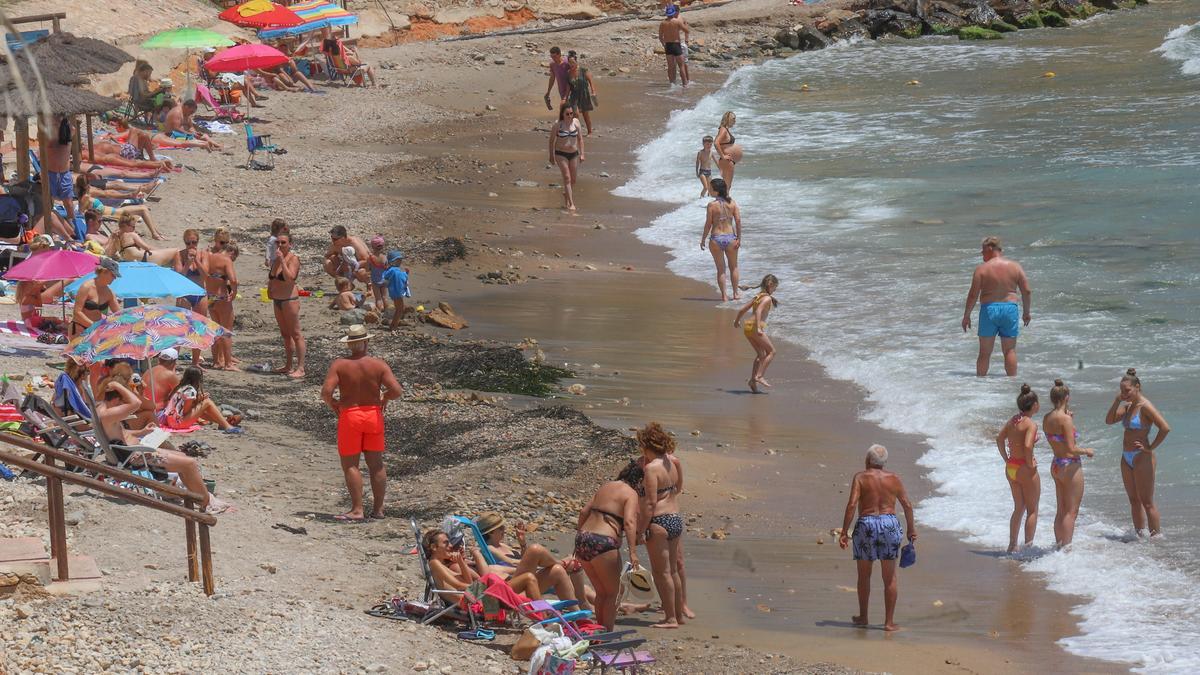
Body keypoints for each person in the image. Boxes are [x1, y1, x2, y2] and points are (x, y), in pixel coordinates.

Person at [96, 377, 232, 514]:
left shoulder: (103, 409)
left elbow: (121, 432)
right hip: (134, 456)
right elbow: (136, 402)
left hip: (135, 451)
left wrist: (142, 432)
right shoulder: (108, 414)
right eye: (122, 402)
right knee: (189, 463)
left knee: (182, 456)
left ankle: (197, 496)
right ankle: (207, 503)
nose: (123, 406)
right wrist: (117, 385)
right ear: (117, 399)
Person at [320, 324, 403, 522]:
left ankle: (357, 509)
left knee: (351, 464)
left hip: (351, 415)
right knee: (376, 464)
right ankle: (379, 509)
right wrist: (385, 398)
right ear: (366, 342)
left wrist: (334, 405)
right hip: (373, 415)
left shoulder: (340, 365)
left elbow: (326, 393)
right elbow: (397, 391)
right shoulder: (378, 364)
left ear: (349, 345)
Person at [838, 445, 915, 632]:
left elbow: (852, 504)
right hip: (889, 524)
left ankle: (863, 617)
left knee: (864, 576)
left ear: (867, 460)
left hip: (867, 523)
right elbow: (907, 505)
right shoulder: (894, 478)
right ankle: (889, 622)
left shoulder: (861, 477)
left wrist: (844, 532)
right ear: (884, 462)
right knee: (889, 578)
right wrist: (911, 530)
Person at [576, 461, 642, 631]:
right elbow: (629, 522)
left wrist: (579, 536)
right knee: (613, 593)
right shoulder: (631, 493)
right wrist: (633, 552)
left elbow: (584, 512)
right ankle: (607, 632)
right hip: (603, 541)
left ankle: (599, 629)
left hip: (583, 538)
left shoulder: (605, 486)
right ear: (639, 481)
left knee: (601, 592)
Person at [1105, 368, 1170, 536]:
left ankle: (1156, 540)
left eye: (1127, 390)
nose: (1124, 393)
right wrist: (1116, 401)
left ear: (1137, 387)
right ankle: (1140, 539)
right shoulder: (1127, 406)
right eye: (1121, 390)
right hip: (1126, 457)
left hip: (1142, 457)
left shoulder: (1145, 406)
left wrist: (1150, 447)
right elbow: (1109, 420)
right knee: (1134, 501)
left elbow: (1165, 428)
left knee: (1147, 502)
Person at [474, 512, 583, 606]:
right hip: (521, 585)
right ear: (491, 532)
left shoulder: (504, 546)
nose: (505, 530)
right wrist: (535, 562)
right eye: (501, 528)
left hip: (531, 576)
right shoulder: (489, 548)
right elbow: (512, 562)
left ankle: (592, 615)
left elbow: (523, 559)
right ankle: (564, 563)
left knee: (584, 590)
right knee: (538, 553)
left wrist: (522, 544)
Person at [637, 422, 685, 629]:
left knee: (661, 572)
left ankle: (670, 618)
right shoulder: (671, 463)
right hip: (675, 518)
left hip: (659, 522)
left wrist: (640, 530)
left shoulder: (651, 468)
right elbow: (679, 488)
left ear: (646, 445)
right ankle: (678, 615)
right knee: (673, 571)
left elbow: (650, 503)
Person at [961, 236, 1032, 377]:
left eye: (983, 251)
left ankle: (980, 383)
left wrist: (966, 316)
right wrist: (1026, 312)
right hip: (1010, 309)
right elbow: (1027, 291)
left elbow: (973, 295)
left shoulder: (982, 269)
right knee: (1010, 350)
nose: (982, 254)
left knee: (984, 352)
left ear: (990, 248)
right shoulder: (1015, 266)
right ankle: (1012, 384)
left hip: (989, 310)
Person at [422, 529, 543, 605]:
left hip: (474, 598)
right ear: (433, 547)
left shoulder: (441, 565)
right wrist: (486, 589)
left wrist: (460, 562)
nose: (451, 545)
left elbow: (467, 581)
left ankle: (541, 613)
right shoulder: (434, 563)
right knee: (527, 579)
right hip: (474, 603)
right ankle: (541, 616)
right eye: (446, 543)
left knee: (527, 581)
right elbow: (459, 585)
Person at [1043, 379, 1094, 548]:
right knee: (1071, 512)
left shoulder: (1047, 418)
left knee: (1061, 509)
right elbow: (1072, 448)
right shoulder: (1065, 419)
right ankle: (1066, 550)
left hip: (1056, 464)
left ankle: (1059, 546)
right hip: (1070, 465)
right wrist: (1086, 451)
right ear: (1067, 397)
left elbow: (1059, 439)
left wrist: (1068, 418)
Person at [997, 384, 1041, 553]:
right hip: (1024, 468)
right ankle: (1028, 549)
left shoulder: (1013, 420)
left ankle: (1012, 545)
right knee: (1032, 509)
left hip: (1011, 467)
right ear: (1034, 405)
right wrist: (1030, 463)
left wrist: (1006, 458)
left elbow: (999, 439)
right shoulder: (1030, 424)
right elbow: (1028, 446)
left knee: (1018, 508)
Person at [74, 175, 165, 240]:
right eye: (88, 184)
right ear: (86, 185)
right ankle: (155, 234)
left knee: (142, 209)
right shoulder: (85, 198)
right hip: (113, 213)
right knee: (143, 209)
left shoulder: (87, 195)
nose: (90, 186)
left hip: (114, 211)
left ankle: (156, 233)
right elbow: (81, 213)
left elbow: (106, 194)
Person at [158, 366, 241, 433]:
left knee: (201, 409)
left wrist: (198, 401)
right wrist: (199, 400)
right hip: (177, 423)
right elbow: (186, 412)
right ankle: (228, 426)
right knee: (207, 402)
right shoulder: (190, 390)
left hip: (171, 421)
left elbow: (185, 409)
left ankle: (223, 422)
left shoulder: (181, 387)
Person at [268, 232, 306, 378]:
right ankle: (288, 365)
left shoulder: (293, 259)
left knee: (296, 334)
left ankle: (301, 367)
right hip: (277, 300)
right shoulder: (275, 260)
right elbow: (272, 278)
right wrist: (270, 289)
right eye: (278, 242)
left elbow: (290, 278)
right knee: (285, 334)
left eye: (283, 242)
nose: (280, 245)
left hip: (289, 300)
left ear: (290, 244)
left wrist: (282, 261)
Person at [733, 274, 779, 394]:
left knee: (761, 354)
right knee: (772, 352)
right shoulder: (767, 298)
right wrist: (758, 327)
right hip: (755, 327)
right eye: (775, 287)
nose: (775, 290)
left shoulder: (758, 296)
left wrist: (737, 321)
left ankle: (752, 381)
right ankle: (759, 376)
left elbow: (742, 309)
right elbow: (758, 311)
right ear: (770, 285)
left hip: (748, 327)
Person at [699, 178, 741, 301]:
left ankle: (724, 296)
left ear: (717, 191)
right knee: (734, 267)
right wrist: (739, 238)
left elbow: (708, 224)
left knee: (720, 269)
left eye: (711, 188)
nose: (710, 190)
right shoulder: (732, 203)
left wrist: (703, 239)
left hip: (716, 238)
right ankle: (735, 294)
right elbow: (738, 221)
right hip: (730, 237)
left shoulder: (712, 205)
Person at [172, 228, 209, 360]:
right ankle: (173, 360)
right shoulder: (179, 255)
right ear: (184, 243)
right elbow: (179, 277)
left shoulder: (203, 254)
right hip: (185, 294)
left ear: (198, 242)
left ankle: (195, 361)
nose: (191, 246)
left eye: (194, 242)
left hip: (199, 294)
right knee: (180, 328)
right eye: (188, 243)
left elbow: (206, 275)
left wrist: (197, 261)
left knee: (198, 328)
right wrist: (187, 263)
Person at [206, 241, 238, 371]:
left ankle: (217, 361)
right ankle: (228, 364)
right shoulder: (226, 260)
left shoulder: (209, 257)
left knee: (216, 330)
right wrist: (234, 291)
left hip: (210, 297)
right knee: (226, 331)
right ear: (231, 252)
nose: (233, 260)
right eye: (234, 258)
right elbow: (233, 280)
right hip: (222, 297)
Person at [71, 258, 121, 337]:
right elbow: (77, 313)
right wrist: (95, 326)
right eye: (113, 275)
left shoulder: (109, 293)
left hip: (96, 331)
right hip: (80, 328)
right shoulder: (86, 287)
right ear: (104, 272)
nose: (115, 278)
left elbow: (119, 314)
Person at [548, 103, 585, 213]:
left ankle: (566, 193)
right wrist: (551, 156)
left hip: (574, 153)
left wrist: (582, 154)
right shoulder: (558, 125)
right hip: (561, 154)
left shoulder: (576, 123)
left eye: (571, 113)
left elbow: (580, 139)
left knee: (573, 180)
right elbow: (551, 141)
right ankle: (571, 204)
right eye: (567, 114)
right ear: (562, 114)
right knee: (567, 178)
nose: (569, 116)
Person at [105, 214, 175, 265]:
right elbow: (147, 248)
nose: (134, 228)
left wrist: (111, 238)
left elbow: (109, 253)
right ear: (126, 226)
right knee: (175, 252)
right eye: (133, 226)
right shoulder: (132, 235)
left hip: (132, 262)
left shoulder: (115, 239)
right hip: (144, 260)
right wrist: (160, 251)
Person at [44, 115, 76, 228]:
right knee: (49, 201)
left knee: (68, 202)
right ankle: (51, 223)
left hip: (64, 174)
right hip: (50, 173)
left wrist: (63, 121)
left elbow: (73, 128)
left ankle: (72, 222)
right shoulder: (48, 135)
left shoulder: (68, 134)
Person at [658, 5, 690, 86]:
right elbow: (687, 30)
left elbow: (660, 37)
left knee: (670, 67)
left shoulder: (662, 23)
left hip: (668, 45)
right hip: (676, 45)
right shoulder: (676, 21)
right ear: (673, 13)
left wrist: (664, 45)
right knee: (681, 66)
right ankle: (685, 85)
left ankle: (672, 84)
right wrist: (685, 24)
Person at [566, 52, 596, 136]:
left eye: (573, 62)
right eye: (570, 62)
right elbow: (568, 87)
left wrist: (593, 91)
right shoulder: (568, 73)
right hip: (574, 95)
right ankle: (575, 131)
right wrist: (565, 98)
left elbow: (591, 81)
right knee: (575, 113)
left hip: (584, 94)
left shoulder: (583, 70)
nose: (571, 64)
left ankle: (590, 132)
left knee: (586, 115)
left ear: (576, 62)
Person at [382, 251, 411, 330]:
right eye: (398, 260)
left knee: (399, 309)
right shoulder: (393, 270)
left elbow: (386, 277)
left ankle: (393, 325)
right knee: (400, 309)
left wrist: (405, 273)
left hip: (395, 292)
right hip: (396, 292)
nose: (400, 262)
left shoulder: (393, 270)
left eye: (400, 260)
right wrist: (406, 273)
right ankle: (393, 326)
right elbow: (401, 277)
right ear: (393, 261)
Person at [714, 111, 742, 188]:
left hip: (729, 161)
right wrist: (723, 156)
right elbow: (716, 143)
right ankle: (723, 200)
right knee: (727, 185)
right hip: (726, 160)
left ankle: (723, 199)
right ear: (727, 119)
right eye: (733, 119)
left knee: (727, 185)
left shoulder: (725, 129)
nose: (735, 121)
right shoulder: (723, 129)